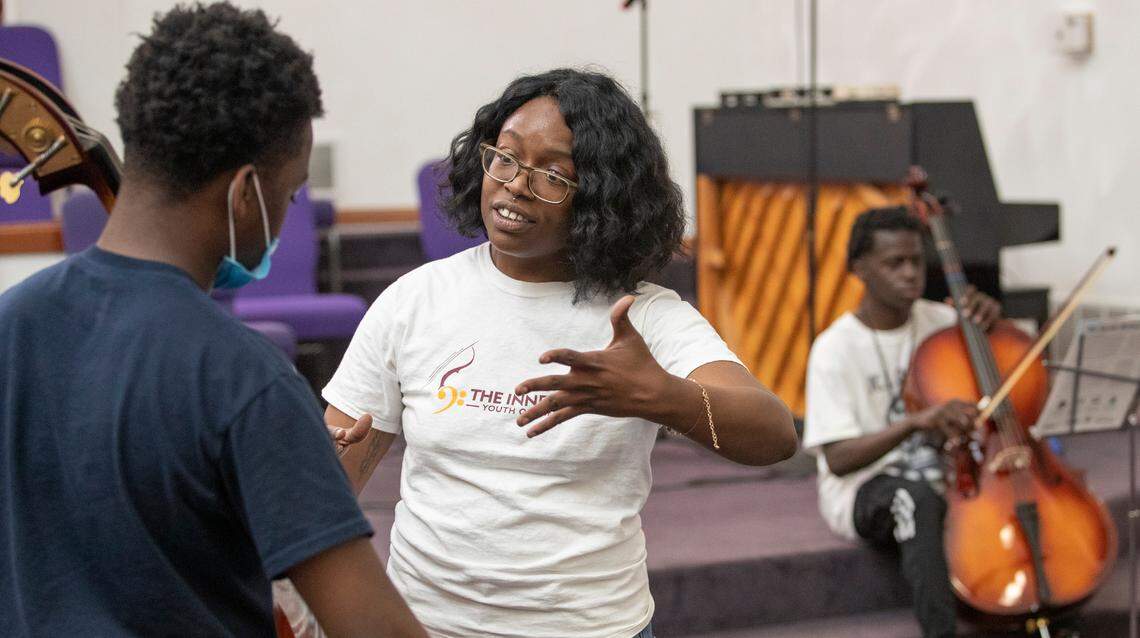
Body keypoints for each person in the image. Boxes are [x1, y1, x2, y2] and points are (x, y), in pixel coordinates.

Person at [321, 68, 798, 638]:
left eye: (553, 174)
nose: (517, 184)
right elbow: (334, 480)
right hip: (426, 625)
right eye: (506, 158)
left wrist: (662, 397)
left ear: (600, 198)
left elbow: (774, 436)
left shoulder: (642, 315)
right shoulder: (417, 298)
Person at [0, 4, 423, 636]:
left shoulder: (12, 321)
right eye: (290, 191)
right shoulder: (244, 377)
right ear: (245, 192)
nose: (287, 212)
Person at [801, 206, 1003, 638]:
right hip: (864, 486)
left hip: (948, 471)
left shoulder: (944, 323)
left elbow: (999, 377)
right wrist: (915, 423)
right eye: (895, 263)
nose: (911, 273)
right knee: (915, 499)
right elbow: (837, 460)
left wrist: (992, 324)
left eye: (916, 260)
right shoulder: (834, 349)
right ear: (860, 269)